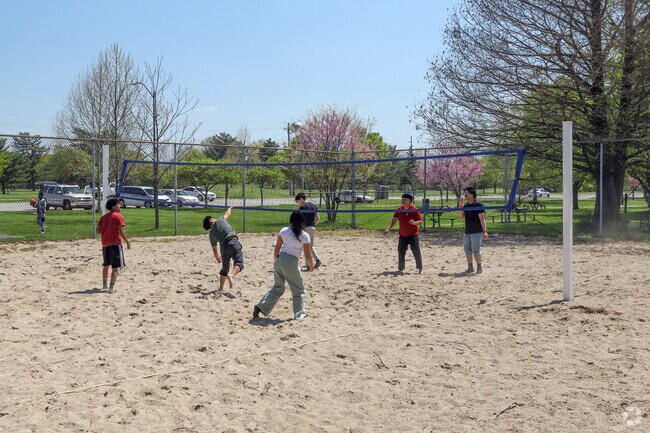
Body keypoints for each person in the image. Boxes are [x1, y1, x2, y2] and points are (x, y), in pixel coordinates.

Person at [254, 211, 314, 320]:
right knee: (298, 290)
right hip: (291, 261)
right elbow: (307, 255)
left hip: (279, 259)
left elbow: (277, 249)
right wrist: (311, 266)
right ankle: (299, 315)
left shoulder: (284, 230)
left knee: (278, 287)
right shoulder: (305, 236)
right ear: (302, 222)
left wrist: (277, 262)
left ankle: (261, 307)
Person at [203, 206, 244, 291]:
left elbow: (214, 248)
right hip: (233, 241)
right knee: (239, 262)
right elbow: (227, 214)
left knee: (224, 268)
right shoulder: (220, 220)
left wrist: (217, 257)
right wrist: (231, 207)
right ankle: (232, 275)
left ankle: (221, 288)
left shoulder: (211, 234)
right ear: (212, 220)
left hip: (224, 247)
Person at [96, 198, 131, 293]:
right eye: (118, 204)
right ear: (113, 206)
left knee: (106, 264)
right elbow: (120, 231)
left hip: (105, 243)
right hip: (115, 244)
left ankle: (104, 284)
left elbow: (98, 230)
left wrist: (106, 232)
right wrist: (127, 242)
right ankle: (111, 288)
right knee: (115, 267)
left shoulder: (103, 218)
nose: (120, 205)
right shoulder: (118, 216)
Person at [383, 193, 423, 274]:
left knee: (416, 251)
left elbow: (420, 221)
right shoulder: (399, 209)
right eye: (402, 199)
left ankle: (420, 268)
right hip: (402, 234)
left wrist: (414, 223)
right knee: (401, 251)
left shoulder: (414, 209)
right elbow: (393, 221)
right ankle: (401, 268)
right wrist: (388, 229)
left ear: (410, 201)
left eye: (405, 199)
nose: (403, 200)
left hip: (413, 235)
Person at [458, 187, 489, 274]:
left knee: (476, 251)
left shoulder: (478, 204)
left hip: (477, 231)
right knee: (467, 250)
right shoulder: (466, 205)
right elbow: (460, 216)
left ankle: (479, 268)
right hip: (467, 231)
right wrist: (460, 205)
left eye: (466, 193)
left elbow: (482, 219)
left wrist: (485, 231)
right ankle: (470, 267)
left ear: (472, 194)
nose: (465, 195)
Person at [295, 192, 322, 270]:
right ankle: (317, 259)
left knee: (306, 247)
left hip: (305, 228)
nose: (298, 203)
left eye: (298, 201)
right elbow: (318, 218)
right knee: (311, 246)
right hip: (313, 228)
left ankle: (308, 266)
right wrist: (314, 224)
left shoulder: (302, 208)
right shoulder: (314, 206)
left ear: (301, 199)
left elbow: (300, 220)